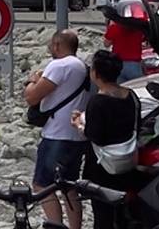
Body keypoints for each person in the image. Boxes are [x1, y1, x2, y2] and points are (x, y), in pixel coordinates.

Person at [24, 29, 90, 229]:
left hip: (57, 135)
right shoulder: (82, 67)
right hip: (76, 134)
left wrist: (31, 81)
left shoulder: (59, 65)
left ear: (57, 45)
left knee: (42, 185)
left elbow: (31, 97)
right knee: (69, 186)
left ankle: (55, 226)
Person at [71, 50, 139, 229]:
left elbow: (95, 136)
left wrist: (79, 124)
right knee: (123, 214)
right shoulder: (130, 95)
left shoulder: (97, 101)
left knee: (103, 216)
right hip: (126, 163)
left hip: (102, 168)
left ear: (96, 73)